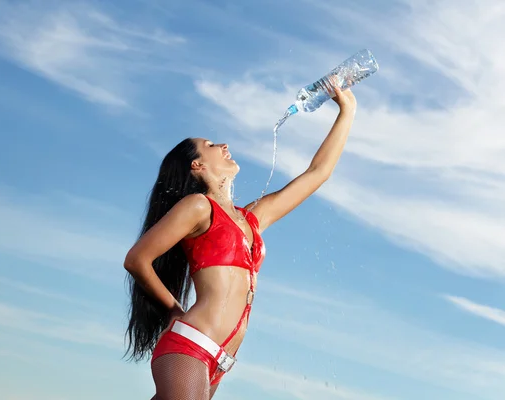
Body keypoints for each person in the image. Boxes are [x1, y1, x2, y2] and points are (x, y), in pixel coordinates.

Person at [123, 81, 357, 399]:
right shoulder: (198, 207)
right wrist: (174, 310)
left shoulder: (252, 219)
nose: (223, 145)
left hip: (221, 360)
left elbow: (318, 172)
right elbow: (137, 260)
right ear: (198, 165)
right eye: (210, 145)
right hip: (191, 345)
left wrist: (347, 110)